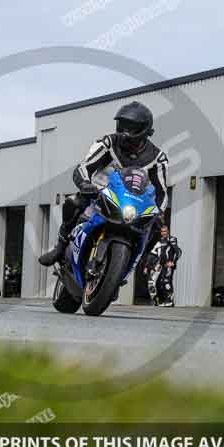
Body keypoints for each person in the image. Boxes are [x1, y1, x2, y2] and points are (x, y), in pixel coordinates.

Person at [39, 101, 169, 266]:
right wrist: (85, 184)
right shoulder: (108, 144)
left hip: (134, 204)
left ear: (144, 130)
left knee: (157, 226)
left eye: (130, 127)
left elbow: (162, 192)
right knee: (73, 202)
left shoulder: (158, 158)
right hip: (100, 195)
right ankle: (60, 245)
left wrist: (159, 212)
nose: (124, 132)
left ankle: (142, 261)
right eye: (122, 126)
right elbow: (84, 167)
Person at [145, 225, 182, 307]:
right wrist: (147, 266)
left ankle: (170, 301)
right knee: (157, 282)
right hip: (160, 265)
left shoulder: (172, 239)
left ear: (168, 231)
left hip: (168, 264)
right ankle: (157, 301)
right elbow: (152, 254)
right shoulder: (160, 242)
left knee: (166, 281)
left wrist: (173, 262)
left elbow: (178, 252)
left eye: (165, 231)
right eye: (162, 231)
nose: (163, 233)